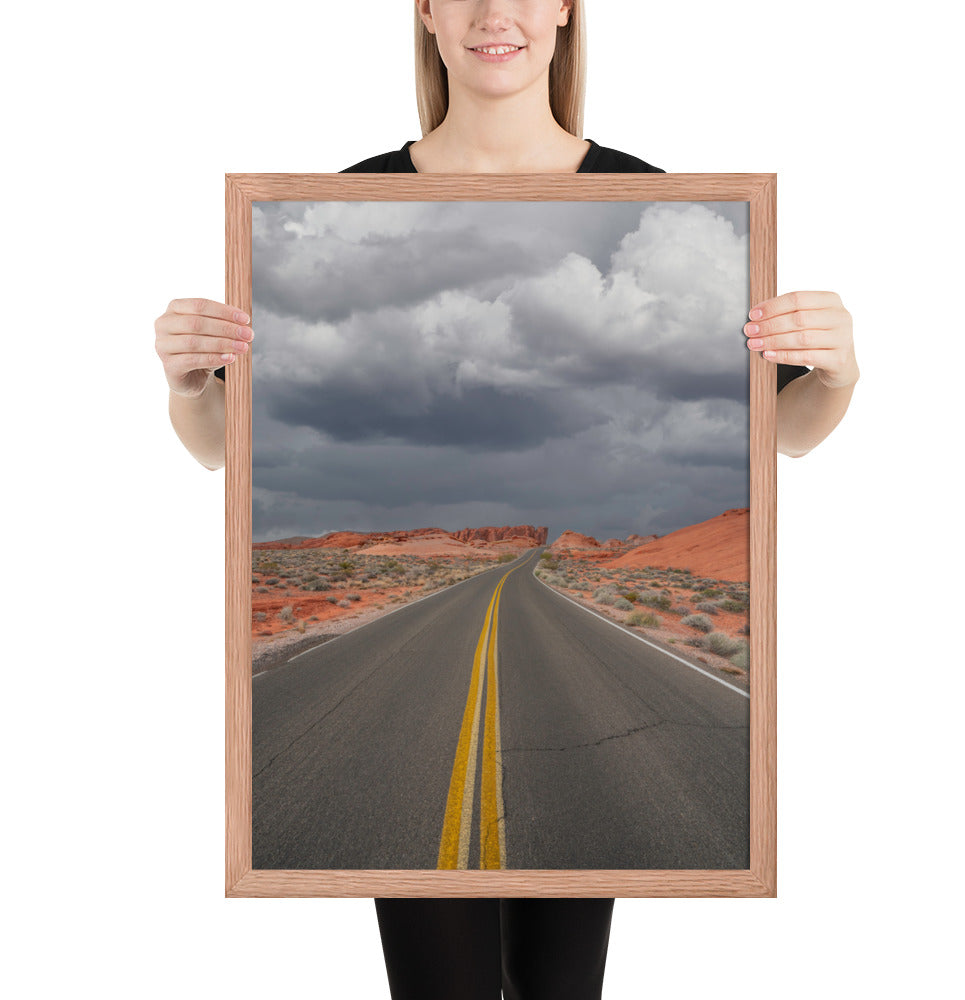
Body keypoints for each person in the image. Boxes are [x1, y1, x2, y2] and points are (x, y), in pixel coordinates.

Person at [154, 2, 859, 997]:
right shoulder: (344, 202)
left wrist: (836, 373)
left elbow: (775, 433)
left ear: (567, 9)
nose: (497, 13)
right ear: (427, 13)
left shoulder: (657, 198)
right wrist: (189, 386)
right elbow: (223, 449)